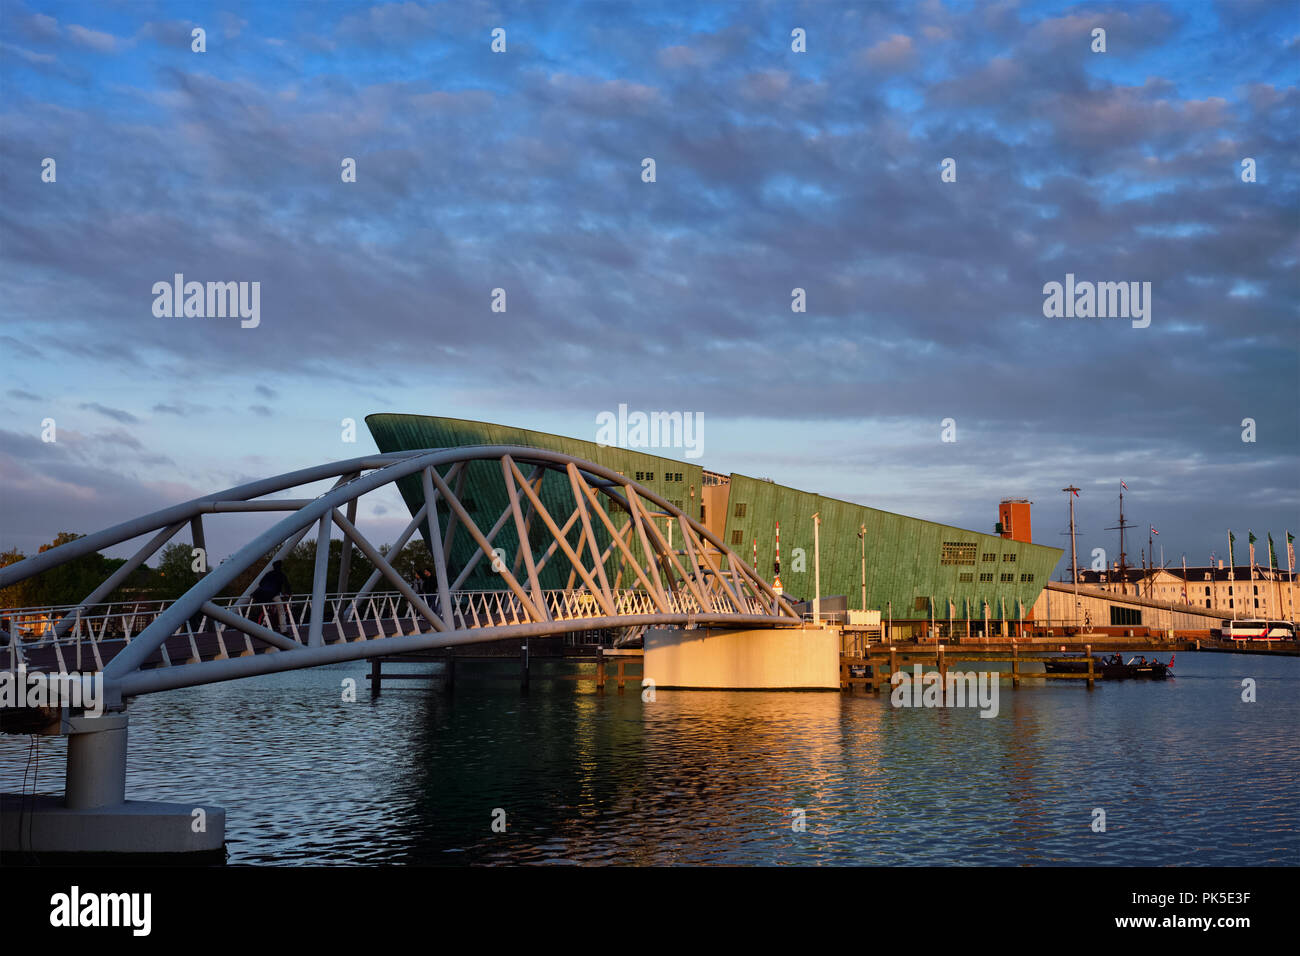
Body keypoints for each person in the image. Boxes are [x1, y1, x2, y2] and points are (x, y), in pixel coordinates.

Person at [250, 560, 292, 632]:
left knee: (266, 609)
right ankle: (283, 630)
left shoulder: (268, 574)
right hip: (273, 594)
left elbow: (260, 583)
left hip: (260, 594)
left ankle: (264, 623)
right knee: (281, 611)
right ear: (280, 567)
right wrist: (289, 593)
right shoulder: (281, 574)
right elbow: (287, 585)